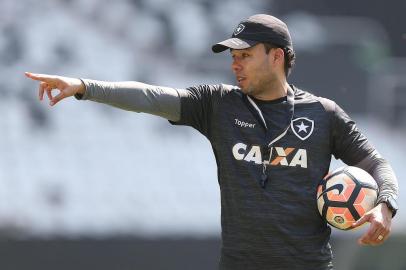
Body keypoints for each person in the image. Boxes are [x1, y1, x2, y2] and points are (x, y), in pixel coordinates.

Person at [25, 14, 398, 270]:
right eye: (233, 57)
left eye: (245, 56)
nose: (235, 64)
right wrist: (85, 87)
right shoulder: (216, 104)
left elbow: (376, 165)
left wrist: (385, 204)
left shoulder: (323, 113)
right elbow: (150, 97)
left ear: (277, 57)